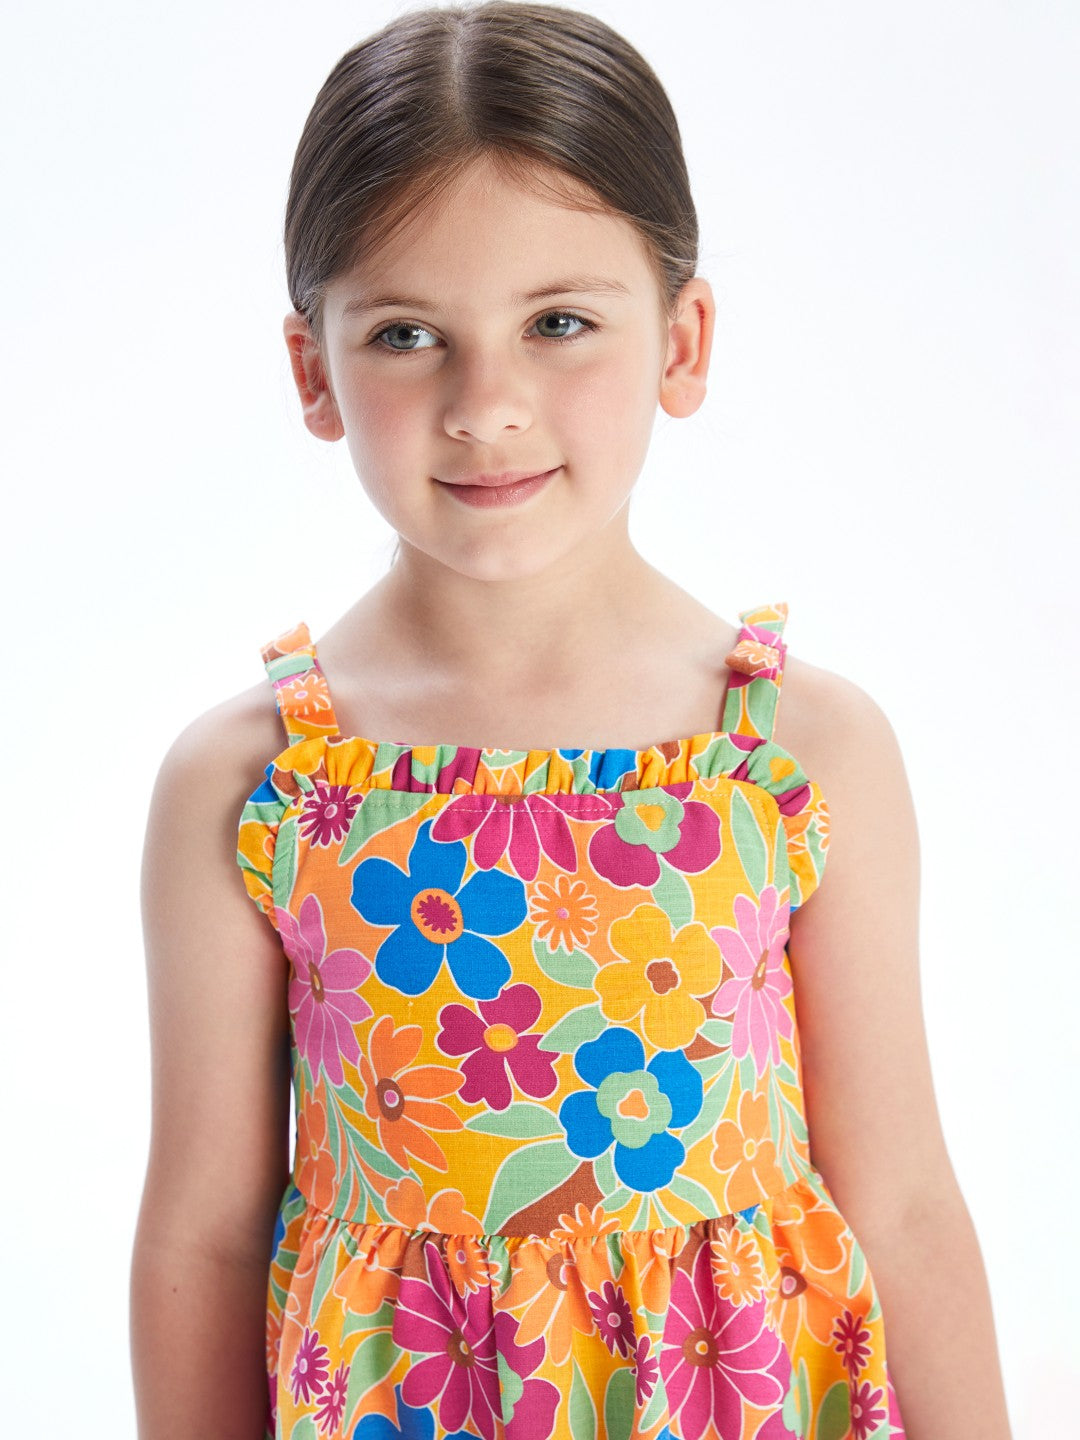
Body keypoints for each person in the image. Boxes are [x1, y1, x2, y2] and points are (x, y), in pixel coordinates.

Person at [130, 4, 1012, 1437]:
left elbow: (902, 1197)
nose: (487, 406)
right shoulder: (258, 787)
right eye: (407, 334)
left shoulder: (795, 756)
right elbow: (204, 1235)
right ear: (313, 371)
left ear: (683, 338)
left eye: (558, 324)